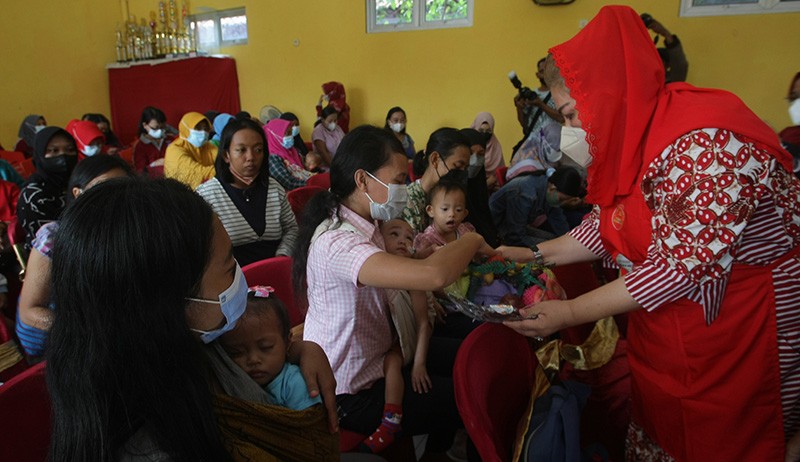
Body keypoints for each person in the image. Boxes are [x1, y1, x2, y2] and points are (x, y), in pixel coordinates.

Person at [501, 7, 800, 461]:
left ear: (608, 92)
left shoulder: (706, 142)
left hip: (744, 328)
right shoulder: (635, 134)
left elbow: (679, 268)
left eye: (572, 114)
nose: (571, 131)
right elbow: (606, 228)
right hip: (674, 330)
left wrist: (570, 312)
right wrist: (526, 255)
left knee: (735, 438)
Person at [46, 177, 341, 461]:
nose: (239, 277)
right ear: (171, 303)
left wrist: (300, 350)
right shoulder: (156, 447)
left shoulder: (187, 344)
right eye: (228, 267)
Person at [293, 125, 494, 458]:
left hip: (386, 354)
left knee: (477, 358)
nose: (404, 189)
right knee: (475, 394)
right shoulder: (338, 242)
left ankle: (438, 451)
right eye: (399, 181)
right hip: (353, 389)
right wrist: (471, 239)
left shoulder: (369, 224)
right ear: (363, 180)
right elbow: (433, 275)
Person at [16, 155, 134, 359]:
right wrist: (87, 331)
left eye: (123, 189)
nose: (115, 198)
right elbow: (30, 311)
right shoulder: (53, 238)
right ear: (78, 194)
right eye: (104, 189)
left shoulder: (127, 234)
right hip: (56, 338)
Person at [197, 118, 298, 267]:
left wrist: (281, 257)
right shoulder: (206, 195)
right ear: (226, 155)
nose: (251, 157)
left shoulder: (274, 188)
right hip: (231, 280)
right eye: (241, 150)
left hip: (276, 271)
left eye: (258, 150)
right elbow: (201, 247)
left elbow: (291, 228)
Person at [219, 286, 321, 411]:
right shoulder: (233, 383)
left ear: (287, 342)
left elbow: (310, 426)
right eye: (237, 353)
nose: (253, 359)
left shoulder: (295, 384)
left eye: (265, 347)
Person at [490, 167, 584, 248]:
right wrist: (554, 248)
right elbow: (515, 237)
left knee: (555, 240)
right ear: (553, 188)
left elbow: (559, 223)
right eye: (561, 199)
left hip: (514, 226)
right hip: (496, 229)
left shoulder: (549, 189)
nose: (562, 203)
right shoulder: (526, 193)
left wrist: (570, 241)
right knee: (552, 246)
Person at [16, 127, 78, 249]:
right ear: (39, 155)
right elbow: (51, 244)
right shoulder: (33, 196)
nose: (63, 155)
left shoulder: (79, 181)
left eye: (70, 150)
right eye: (54, 151)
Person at [403, 128, 471, 234]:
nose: (461, 173)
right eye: (457, 166)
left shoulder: (455, 196)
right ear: (435, 159)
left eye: (465, 168)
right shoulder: (409, 203)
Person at [513, 57, 564, 153]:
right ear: (537, 75)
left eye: (547, 70)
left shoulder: (560, 92)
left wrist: (540, 104)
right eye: (542, 71)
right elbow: (524, 125)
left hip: (555, 143)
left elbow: (562, 118)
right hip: (534, 145)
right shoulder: (531, 94)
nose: (545, 74)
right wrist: (519, 108)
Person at [164, 111, 217, 189]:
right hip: (182, 194)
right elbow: (198, 173)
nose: (203, 132)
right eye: (198, 128)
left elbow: (223, 162)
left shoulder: (208, 146)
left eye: (205, 129)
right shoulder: (174, 149)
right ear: (186, 129)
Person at [264, 118, 314, 191]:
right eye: (287, 133)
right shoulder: (272, 158)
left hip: (304, 188)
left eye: (291, 133)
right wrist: (313, 183)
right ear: (275, 136)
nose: (290, 136)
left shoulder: (293, 151)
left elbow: (304, 170)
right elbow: (289, 183)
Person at [641, 13, 689, 83]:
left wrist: (665, 33)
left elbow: (680, 65)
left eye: (660, 61)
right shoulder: (642, 78)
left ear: (667, 65)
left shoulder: (673, 80)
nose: (656, 65)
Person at [133, 106, 175, 177]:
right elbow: (140, 172)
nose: (159, 131)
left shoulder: (170, 140)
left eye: (162, 128)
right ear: (145, 125)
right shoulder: (140, 146)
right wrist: (154, 164)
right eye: (155, 128)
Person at [469, 112, 504, 188]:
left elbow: (500, 177)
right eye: (481, 130)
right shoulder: (467, 147)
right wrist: (486, 184)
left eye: (488, 131)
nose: (484, 133)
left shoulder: (496, 147)